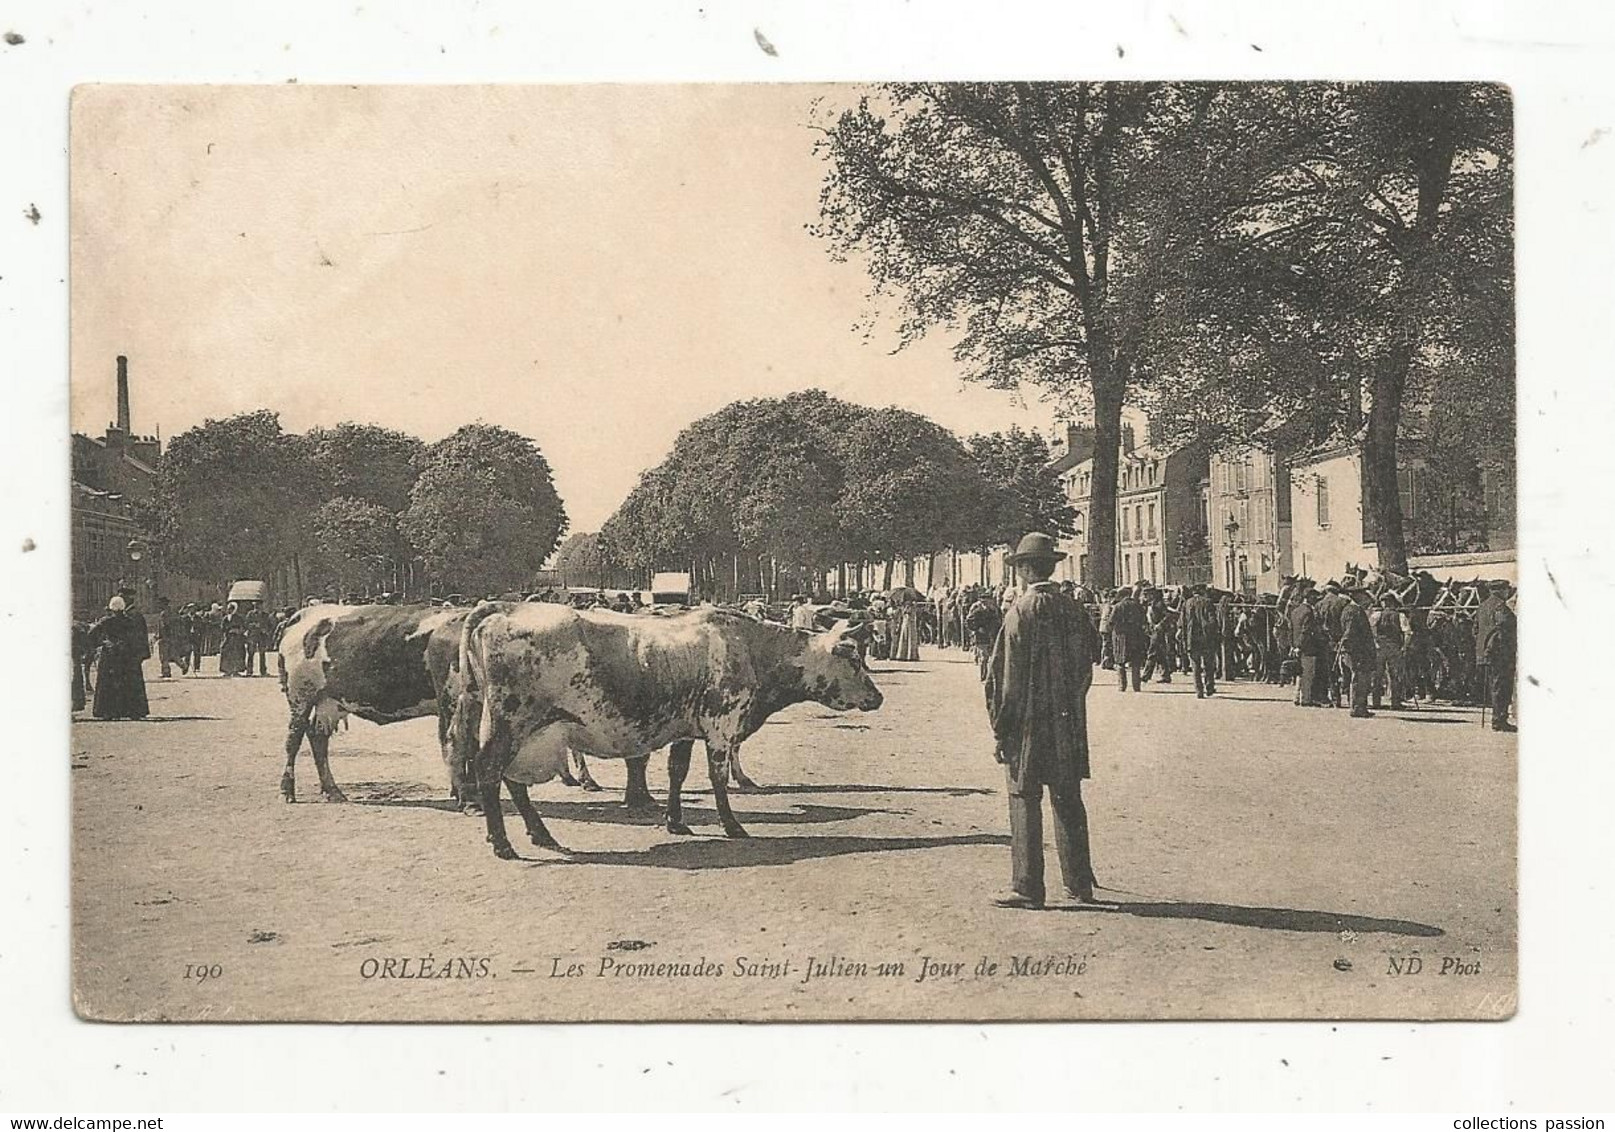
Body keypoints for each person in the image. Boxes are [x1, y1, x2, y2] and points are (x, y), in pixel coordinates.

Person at [984, 533, 1098, 910]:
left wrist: (1002, 728)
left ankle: (1027, 885)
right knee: (1068, 799)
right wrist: (1070, 703)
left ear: (1027, 569)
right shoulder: (1074, 609)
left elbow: (1006, 679)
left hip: (1029, 725)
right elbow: (1086, 668)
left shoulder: (1020, 612)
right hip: (1066, 722)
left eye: (1019, 566)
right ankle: (1080, 883)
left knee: (1024, 798)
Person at [87, 595, 150, 719]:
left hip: (110, 656)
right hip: (126, 655)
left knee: (109, 683)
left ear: (111, 608)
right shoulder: (130, 621)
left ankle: (109, 711)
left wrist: (102, 643)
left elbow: (91, 635)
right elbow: (136, 639)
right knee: (127, 683)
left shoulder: (106, 621)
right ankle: (131, 711)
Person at [1475, 580, 1517, 732]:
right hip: (1500, 653)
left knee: (1495, 685)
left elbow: (1475, 629)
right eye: (1507, 590)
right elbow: (1504, 627)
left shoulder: (1482, 606)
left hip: (1485, 652)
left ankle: (1498, 718)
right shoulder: (1500, 607)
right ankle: (1499, 720)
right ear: (1501, 591)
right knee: (1502, 686)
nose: (1508, 592)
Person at [1339, 583, 1378, 718]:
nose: (1366, 598)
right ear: (1357, 596)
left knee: (1358, 680)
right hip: (1358, 652)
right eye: (1363, 595)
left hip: (1356, 651)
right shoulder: (1353, 611)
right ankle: (1357, 708)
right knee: (1359, 680)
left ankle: (1358, 706)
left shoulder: (1350, 609)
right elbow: (1350, 633)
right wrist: (1353, 650)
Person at [1369, 592, 1410, 711]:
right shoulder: (1400, 615)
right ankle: (1395, 702)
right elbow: (1407, 633)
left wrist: (1375, 642)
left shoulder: (1377, 614)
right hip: (1394, 647)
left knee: (1377, 675)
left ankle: (1376, 702)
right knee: (1395, 675)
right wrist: (1404, 647)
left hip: (1380, 647)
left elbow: (1370, 630)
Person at [1288, 589, 1327, 707]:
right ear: (1309, 597)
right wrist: (1300, 646)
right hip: (1307, 647)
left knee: (1299, 673)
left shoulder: (1295, 611)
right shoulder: (1309, 612)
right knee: (1308, 674)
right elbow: (1306, 631)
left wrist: (1293, 645)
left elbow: (1290, 629)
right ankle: (1306, 699)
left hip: (1296, 646)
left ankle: (1296, 696)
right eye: (1314, 597)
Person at [1183, 584, 1221, 698]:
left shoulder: (1187, 603)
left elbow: (1183, 623)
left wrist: (1185, 639)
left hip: (1192, 638)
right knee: (1208, 664)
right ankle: (1209, 687)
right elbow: (1213, 620)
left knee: (1195, 665)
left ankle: (1198, 690)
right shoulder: (1208, 602)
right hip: (1206, 638)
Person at [1108, 585, 1146, 692]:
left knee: (1120, 662)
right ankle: (1136, 686)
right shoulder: (1137, 606)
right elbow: (1144, 621)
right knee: (1135, 663)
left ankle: (1122, 685)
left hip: (1121, 637)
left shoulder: (1118, 606)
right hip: (1135, 636)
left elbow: (1111, 622)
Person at [965, 585, 1003, 682]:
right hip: (981, 637)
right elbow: (969, 621)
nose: (987, 603)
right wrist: (976, 629)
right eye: (984, 601)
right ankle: (984, 677)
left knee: (993, 657)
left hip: (992, 636)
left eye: (988, 600)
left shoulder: (995, 610)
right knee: (984, 657)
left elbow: (999, 621)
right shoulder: (978, 611)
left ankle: (991, 677)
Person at [1141, 587, 1177, 685]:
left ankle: (1145, 676)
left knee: (1152, 653)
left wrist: (1160, 624)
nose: (1145, 597)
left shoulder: (1159, 604)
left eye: (1146, 594)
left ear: (1152, 594)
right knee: (1160, 654)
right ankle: (1165, 675)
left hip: (1158, 632)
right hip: (1153, 631)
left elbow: (1168, 616)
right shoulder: (1150, 604)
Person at [218, 601, 248, 676]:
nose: (229, 610)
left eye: (231, 609)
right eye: (228, 609)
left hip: (237, 639)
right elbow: (222, 628)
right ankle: (227, 670)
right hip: (228, 638)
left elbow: (243, 627)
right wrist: (227, 631)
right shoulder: (225, 618)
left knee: (237, 654)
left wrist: (238, 631)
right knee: (226, 653)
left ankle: (236, 670)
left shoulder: (239, 618)